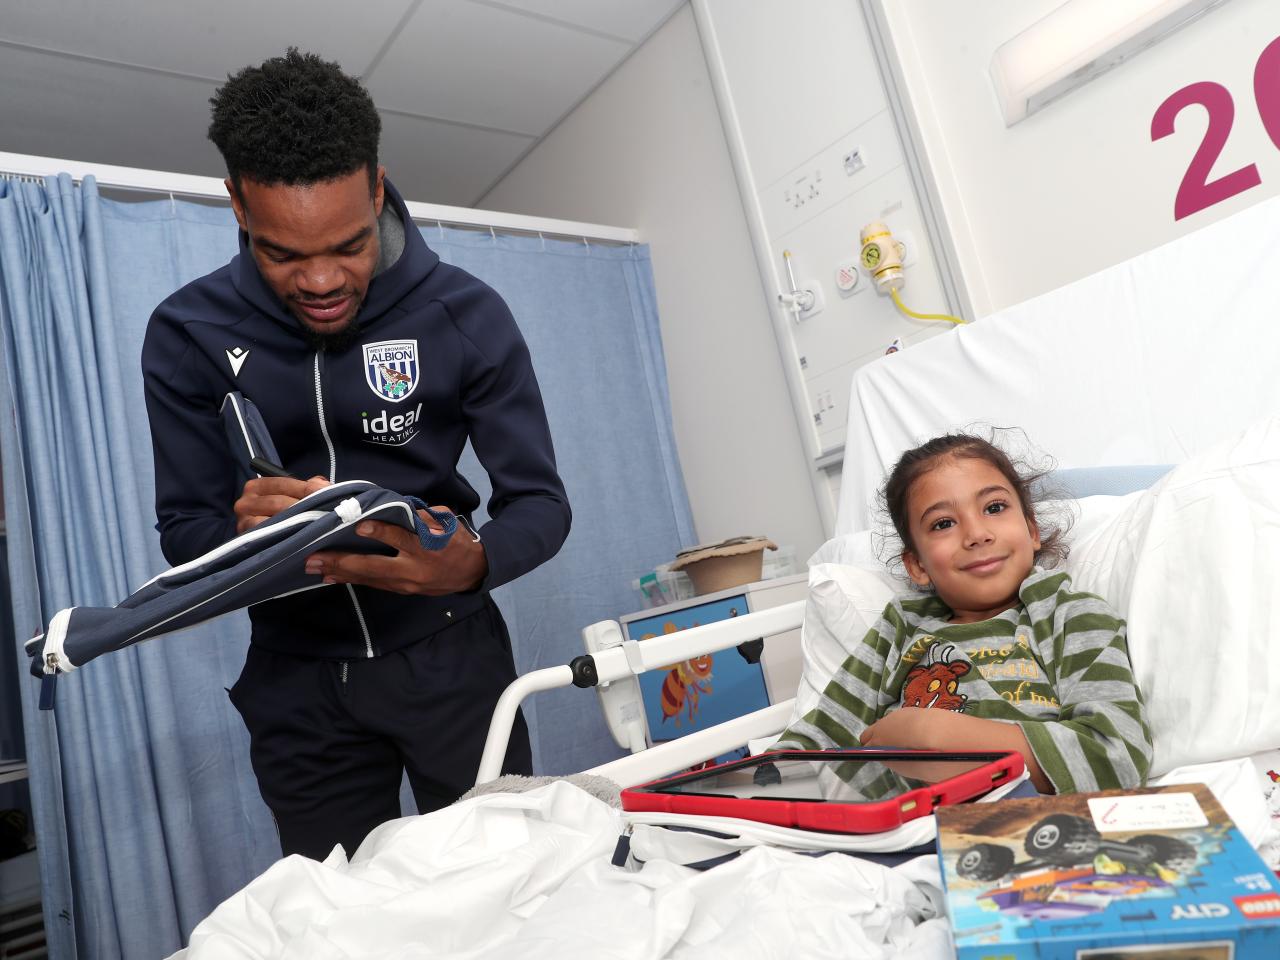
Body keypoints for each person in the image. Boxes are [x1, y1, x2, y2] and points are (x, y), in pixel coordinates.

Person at [141, 49, 571, 859]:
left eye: (347, 244)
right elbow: (184, 529)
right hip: (297, 679)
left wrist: (472, 563)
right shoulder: (184, 332)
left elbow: (541, 504)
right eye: (284, 254)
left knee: (507, 886)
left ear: (376, 189)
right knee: (336, 918)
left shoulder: (466, 312)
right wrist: (242, 543)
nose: (322, 280)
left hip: (452, 653)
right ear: (236, 205)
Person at [773, 433, 1151, 794]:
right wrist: (763, 777)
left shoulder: (1071, 616)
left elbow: (1116, 754)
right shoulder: (900, 627)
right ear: (917, 565)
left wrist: (945, 739)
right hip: (902, 831)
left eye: (994, 508)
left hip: (1030, 820)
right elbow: (819, 739)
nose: (976, 534)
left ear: (1031, 530)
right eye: (943, 524)